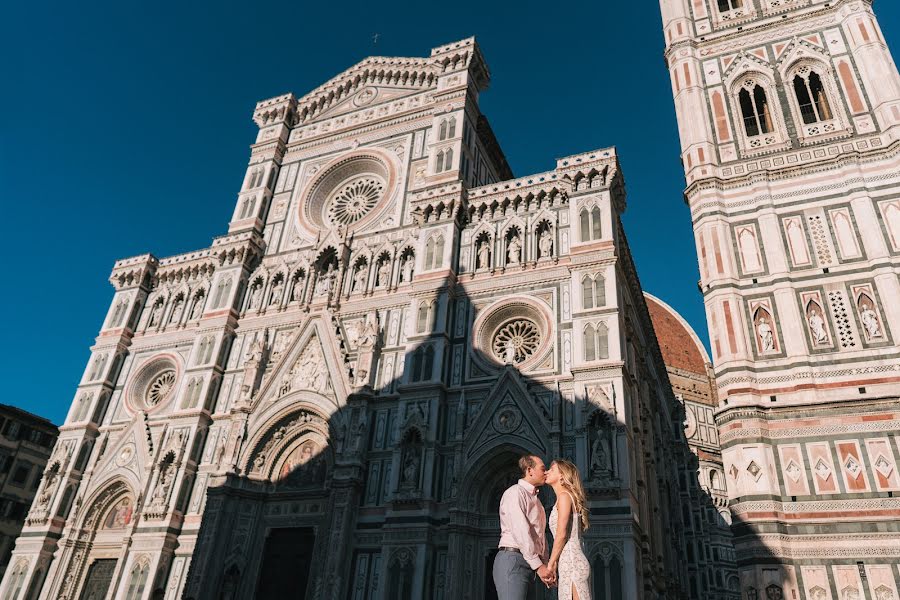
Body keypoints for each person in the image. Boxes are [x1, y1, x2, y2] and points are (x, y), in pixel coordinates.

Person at [494, 455, 554, 599]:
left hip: (530, 563)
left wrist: (545, 564)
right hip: (513, 559)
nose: (545, 472)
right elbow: (521, 531)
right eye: (542, 469)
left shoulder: (536, 500)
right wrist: (540, 567)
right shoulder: (515, 493)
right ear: (529, 470)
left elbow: (540, 536)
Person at [546, 459, 592, 600]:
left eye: (552, 469)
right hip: (568, 562)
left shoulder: (565, 497)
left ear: (562, 475)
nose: (547, 472)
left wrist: (551, 564)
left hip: (572, 563)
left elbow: (561, 534)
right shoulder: (563, 497)